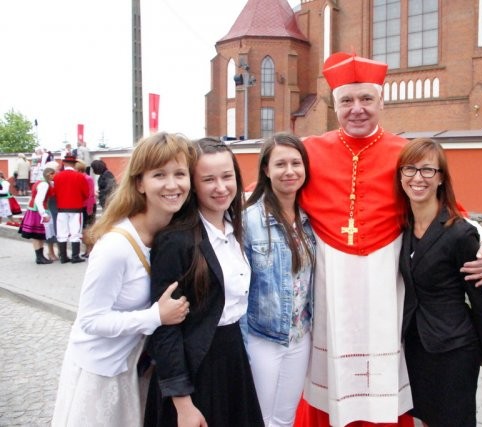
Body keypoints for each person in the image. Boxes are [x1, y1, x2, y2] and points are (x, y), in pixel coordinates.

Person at [295, 52, 482, 427]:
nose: (357, 109)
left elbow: (450, 209)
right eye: (347, 101)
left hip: (386, 286)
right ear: (334, 105)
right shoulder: (308, 152)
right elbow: (268, 195)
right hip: (330, 289)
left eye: (366, 99)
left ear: (381, 102)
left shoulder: (405, 153)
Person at [51, 132, 194, 427]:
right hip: (101, 374)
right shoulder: (116, 247)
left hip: (133, 369)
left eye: (180, 173)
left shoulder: (169, 235)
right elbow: (90, 320)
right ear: (140, 182)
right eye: (159, 175)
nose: (172, 184)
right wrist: (155, 316)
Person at [144, 138, 263, 427]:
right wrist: (183, 404)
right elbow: (165, 331)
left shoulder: (234, 227)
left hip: (233, 356)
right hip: (196, 367)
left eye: (227, 177)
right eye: (208, 179)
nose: (221, 187)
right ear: (193, 186)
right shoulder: (177, 240)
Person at [397, 138, 482, 426]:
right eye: (410, 169)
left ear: (441, 178)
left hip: (454, 349)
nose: (418, 178)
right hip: (415, 346)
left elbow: (479, 297)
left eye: (428, 170)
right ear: (401, 176)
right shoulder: (401, 228)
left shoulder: (459, 233)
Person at [244, 133, 316, 426]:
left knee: (285, 418)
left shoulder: (309, 218)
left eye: (296, 163)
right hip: (263, 337)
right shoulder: (248, 220)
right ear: (266, 170)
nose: (289, 171)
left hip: (300, 335)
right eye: (280, 164)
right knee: (258, 418)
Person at [54, 154, 89, 263]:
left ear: (64, 163)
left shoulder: (57, 176)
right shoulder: (80, 176)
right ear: (74, 164)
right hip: (76, 208)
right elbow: (86, 193)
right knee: (75, 232)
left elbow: (54, 192)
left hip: (61, 208)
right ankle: (75, 256)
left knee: (62, 233)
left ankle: (63, 257)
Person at [18, 167, 56, 264]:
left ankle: (40, 257)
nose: (54, 176)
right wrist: (43, 214)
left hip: (34, 210)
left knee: (37, 235)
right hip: (38, 211)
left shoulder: (39, 182)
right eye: (53, 174)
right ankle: (39, 257)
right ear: (48, 174)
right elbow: (39, 200)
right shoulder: (44, 184)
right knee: (38, 235)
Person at [75, 160, 96, 257]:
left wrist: (89, 208)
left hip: (88, 205)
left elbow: (91, 194)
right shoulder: (79, 178)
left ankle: (90, 249)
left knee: (88, 228)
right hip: (81, 206)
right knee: (83, 228)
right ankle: (87, 249)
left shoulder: (88, 178)